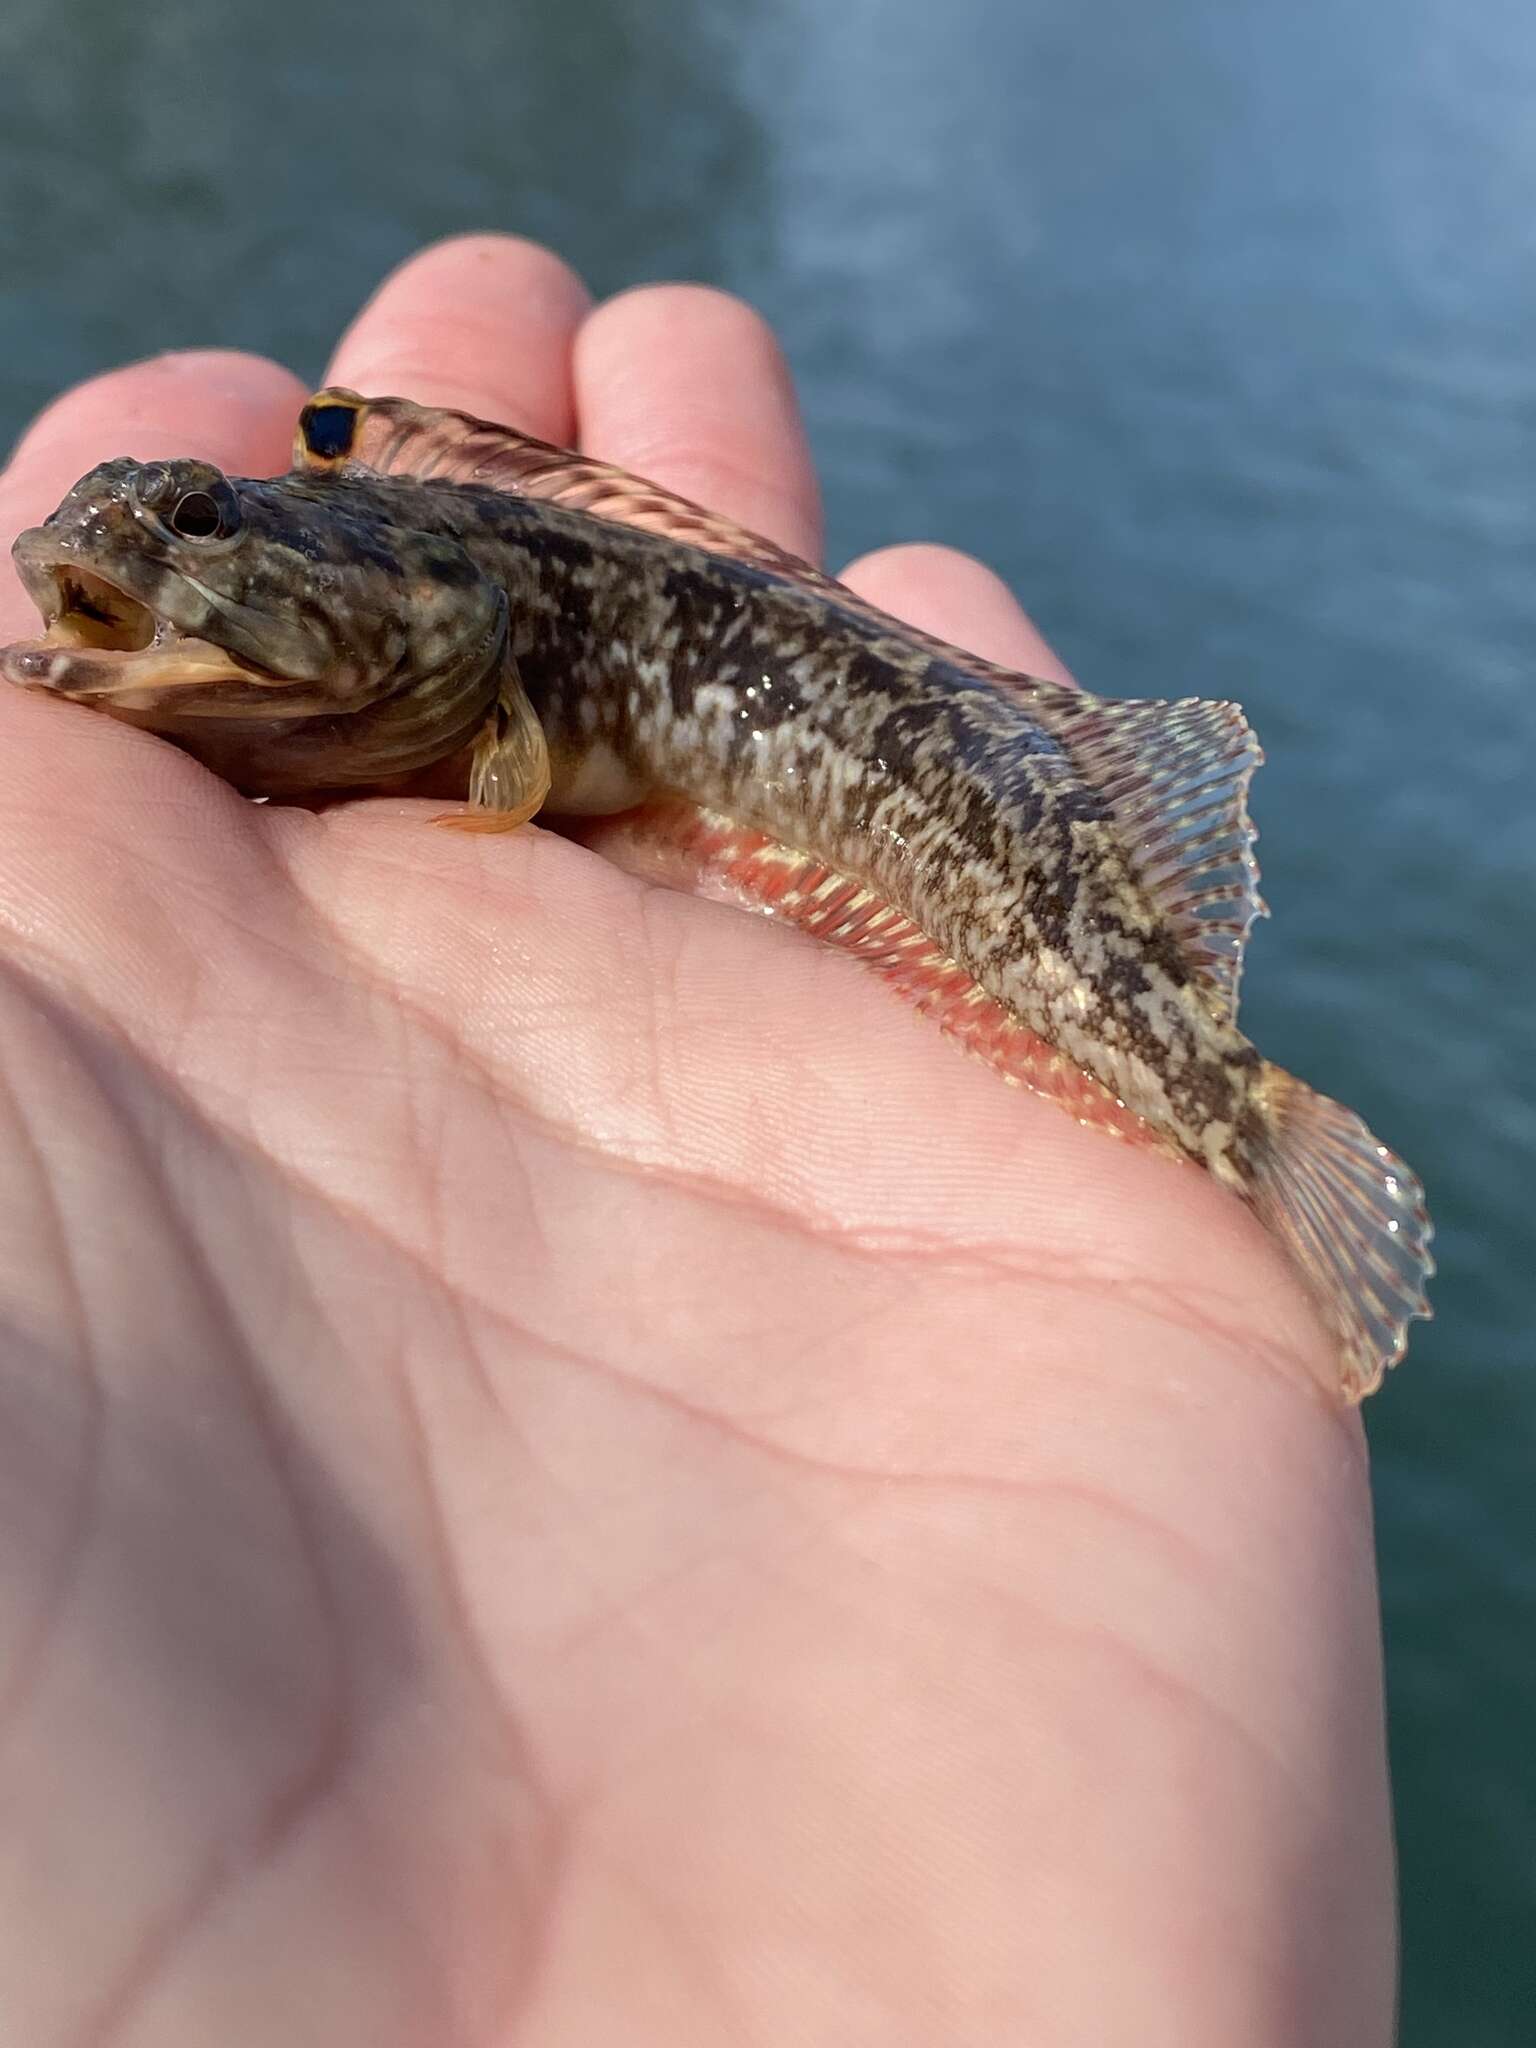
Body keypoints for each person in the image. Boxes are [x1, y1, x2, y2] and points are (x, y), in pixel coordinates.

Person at [0, 234, 1394, 2046]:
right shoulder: (394, 607)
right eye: (117, 562)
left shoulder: (456, 608)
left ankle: (1231, 1123)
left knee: (1028, 910)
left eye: (194, 542)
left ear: (412, 603)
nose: (108, 592)